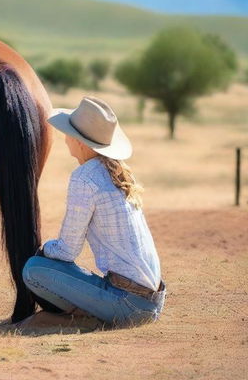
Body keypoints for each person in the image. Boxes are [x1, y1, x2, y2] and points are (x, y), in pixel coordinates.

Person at [22, 96, 165, 326]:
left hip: (129, 305)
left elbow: (68, 251)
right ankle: (87, 314)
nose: (65, 137)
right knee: (52, 266)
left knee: (33, 269)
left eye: (68, 132)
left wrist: (43, 249)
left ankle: (84, 319)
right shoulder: (118, 172)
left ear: (80, 142)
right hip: (153, 303)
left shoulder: (85, 177)